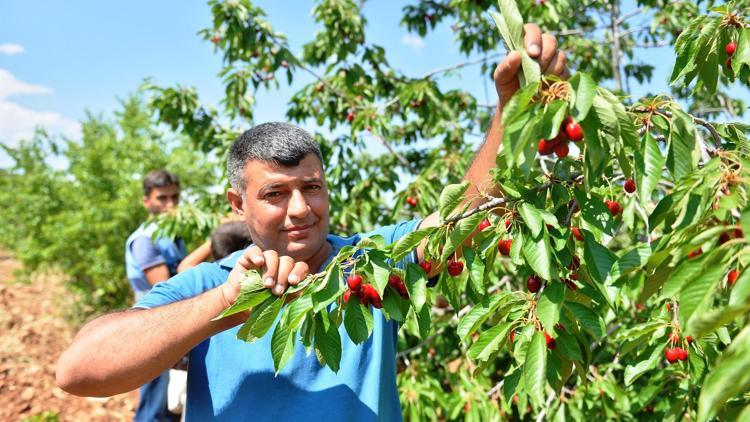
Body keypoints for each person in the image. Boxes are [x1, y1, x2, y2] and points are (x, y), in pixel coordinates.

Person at [56, 24, 566, 420]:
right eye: (275, 194)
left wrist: (513, 111)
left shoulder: (371, 261)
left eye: (312, 188)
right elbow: (79, 370)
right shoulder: (213, 283)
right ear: (237, 204)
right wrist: (224, 307)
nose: (300, 209)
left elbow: (468, 214)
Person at [124, 169, 211, 421]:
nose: (170, 205)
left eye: (175, 197)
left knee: (171, 404)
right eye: (162, 198)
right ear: (146, 201)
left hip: (171, 327)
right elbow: (169, 288)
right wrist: (212, 243)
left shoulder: (171, 235)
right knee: (155, 408)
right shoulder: (144, 240)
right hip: (151, 331)